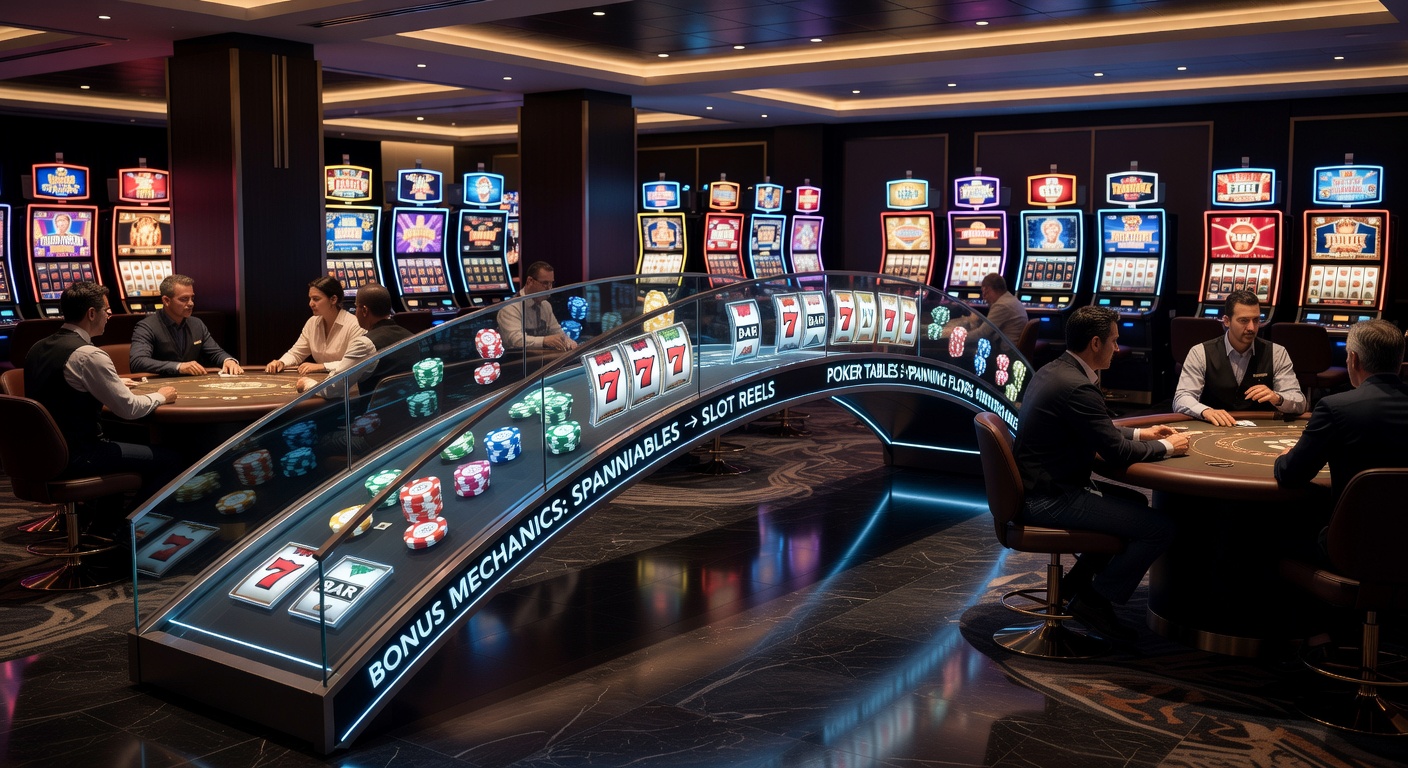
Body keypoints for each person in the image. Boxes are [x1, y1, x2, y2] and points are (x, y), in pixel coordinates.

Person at [1012, 305, 1189, 642]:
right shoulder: (1077, 387)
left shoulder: (1056, 369)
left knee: (1133, 500)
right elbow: (1115, 453)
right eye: (1113, 341)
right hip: (1050, 498)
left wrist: (1143, 434)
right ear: (1095, 343)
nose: (1117, 348)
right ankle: (1095, 599)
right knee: (1160, 528)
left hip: (1043, 486)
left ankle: (1073, 586)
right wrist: (1170, 448)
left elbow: (1097, 428)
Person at [23, 281, 181, 516]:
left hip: (39, 456)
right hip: (78, 456)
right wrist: (160, 396)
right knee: (174, 461)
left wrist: (113, 383)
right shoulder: (89, 355)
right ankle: (125, 529)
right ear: (91, 313)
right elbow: (129, 409)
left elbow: (61, 389)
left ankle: (102, 525)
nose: (110, 314)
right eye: (106, 309)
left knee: (119, 443)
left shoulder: (36, 347)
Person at [1274, 319, 1408, 504]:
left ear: (1354, 359)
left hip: (1353, 528)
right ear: (1400, 359)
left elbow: (1291, 474)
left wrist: (1284, 457)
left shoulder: (1335, 407)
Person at [1173, 290, 1304, 426]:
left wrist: (1278, 398)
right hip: (1214, 427)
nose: (1251, 328)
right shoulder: (1200, 352)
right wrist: (1206, 411)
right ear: (1226, 321)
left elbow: (1300, 401)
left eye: (1256, 320)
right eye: (1244, 321)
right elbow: (1182, 399)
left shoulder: (1277, 352)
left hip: (1262, 430)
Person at [296, 284, 413, 397]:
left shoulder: (365, 344)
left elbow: (333, 389)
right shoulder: (411, 336)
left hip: (370, 414)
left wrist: (307, 383)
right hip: (409, 411)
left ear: (364, 310)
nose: (355, 312)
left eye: (356, 306)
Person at [129, 274, 243, 376]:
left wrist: (228, 361)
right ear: (166, 300)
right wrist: (178, 367)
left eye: (192, 298)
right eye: (184, 299)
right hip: (161, 387)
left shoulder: (197, 324)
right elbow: (138, 362)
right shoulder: (146, 326)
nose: (191, 303)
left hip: (192, 387)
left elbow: (216, 353)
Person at [265, 276, 365, 375]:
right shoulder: (312, 322)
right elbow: (296, 353)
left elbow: (354, 363)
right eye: (310, 299)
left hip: (349, 386)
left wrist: (322, 366)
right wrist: (281, 362)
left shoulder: (355, 325)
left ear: (333, 299)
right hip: (322, 383)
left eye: (316, 299)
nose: (310, 303)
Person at [497, 261, 577, 351]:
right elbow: (516, 340)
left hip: (541, 359)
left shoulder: (546, 305)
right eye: (545, 283)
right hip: (516, 361)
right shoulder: (510, 307)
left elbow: (557, 332)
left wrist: (569, 342)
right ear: (530, 281)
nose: (549, 288)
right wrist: (544, 341)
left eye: (551, 283)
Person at [979, 273, 1028, 342]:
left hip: (1008, 350)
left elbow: (982, 333)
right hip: (1013, 347)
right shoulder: (1010, 299)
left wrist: (961, 337)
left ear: (987, 289)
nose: (984, 298)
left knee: (968, 348)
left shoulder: (1001, 305)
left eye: (983, 293)